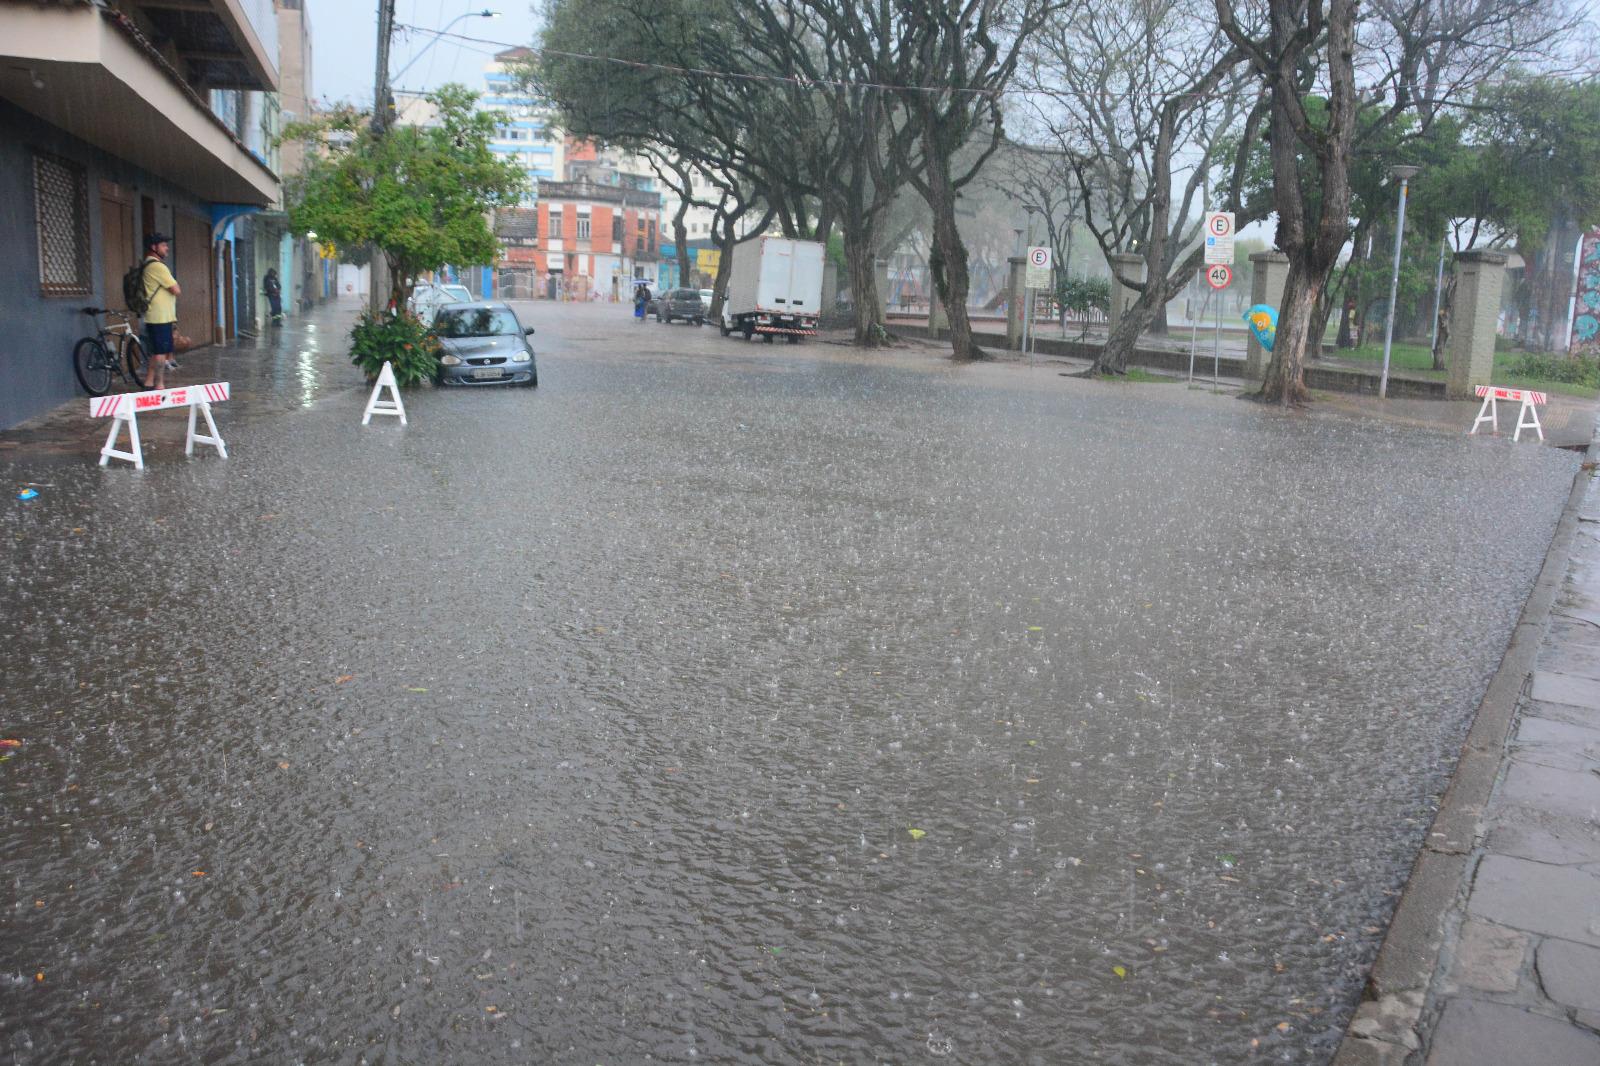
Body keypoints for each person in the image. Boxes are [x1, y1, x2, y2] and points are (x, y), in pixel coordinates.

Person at [139, 232, 181, 389]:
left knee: (156, 350)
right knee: (161, 352)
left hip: (156, 315)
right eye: (164, 245)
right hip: (160, 316)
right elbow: (176, 289)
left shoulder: (148, 265)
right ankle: (160, 383)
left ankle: (149, 381)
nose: (167, 248)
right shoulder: (157, 266)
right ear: (154, 247)